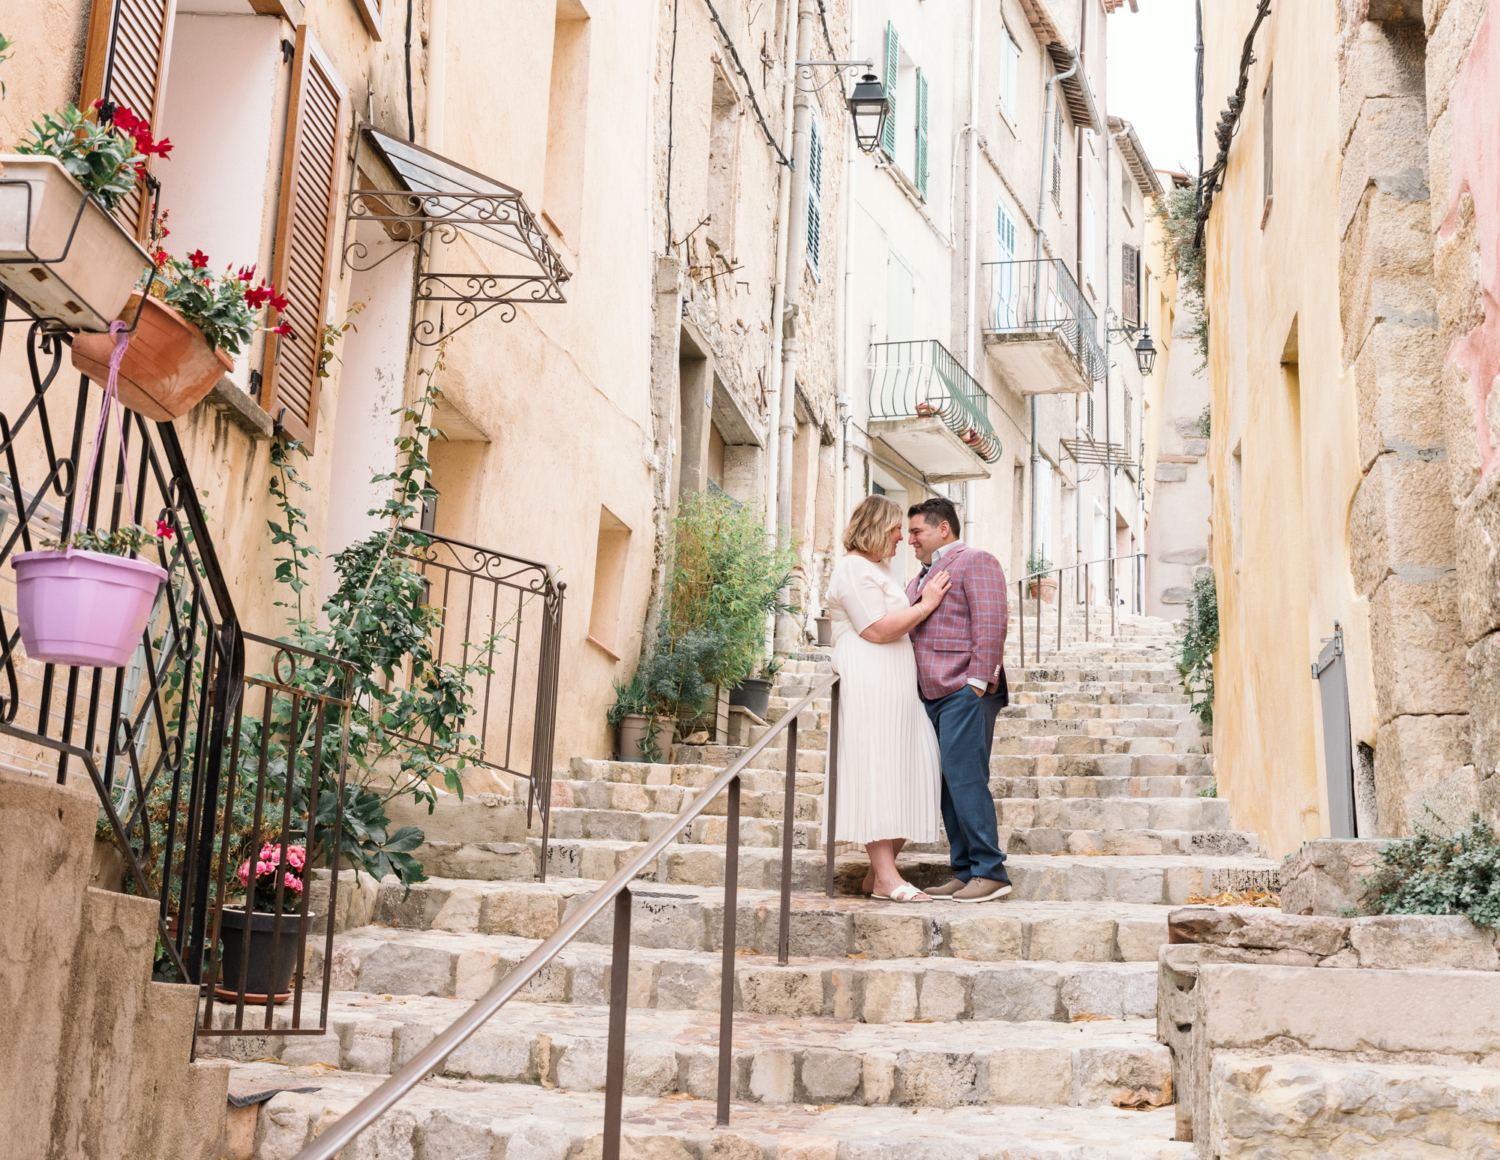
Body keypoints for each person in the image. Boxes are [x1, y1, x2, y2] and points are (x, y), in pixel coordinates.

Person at [822, 495, 951, 902]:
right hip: (869, 680)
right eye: (897, 528)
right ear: (878, 527)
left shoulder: (878, 568)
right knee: (876, 770)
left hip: (897, 685)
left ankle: (880, 873)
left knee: (920, 767)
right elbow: (876, 629)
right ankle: (884, 877)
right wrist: (926, 604)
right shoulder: (850, 568)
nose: (902, 538)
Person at [905, 496, 1012, 903]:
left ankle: (991, 870)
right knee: (947, 783)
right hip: (932, 693)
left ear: (943, 528)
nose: (911, 539)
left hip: (964, 691)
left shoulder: (976, 560)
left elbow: (991, 621)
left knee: (966, 779)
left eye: (917, 531)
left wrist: (978, 683)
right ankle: (966, 870)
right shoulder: (920, 577)